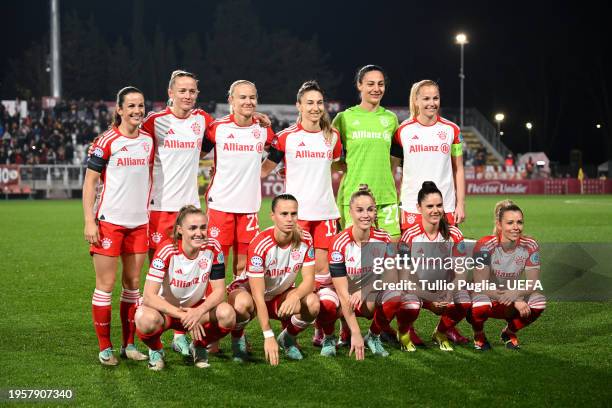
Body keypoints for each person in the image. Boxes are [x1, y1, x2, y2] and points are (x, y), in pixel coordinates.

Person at [141, 70, 271, 357]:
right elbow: (131, 136)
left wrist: (262, 119)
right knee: (163, 275)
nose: (188, 95)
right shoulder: (155, 121)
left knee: (198, 273)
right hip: (158, 209)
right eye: (182, 90)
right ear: (171, 92)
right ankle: (155, 338)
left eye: (192, 91)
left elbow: (230, 137)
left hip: (190, 208)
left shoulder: (204, 121)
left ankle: (183, 333)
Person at [261, 80, 342, 348]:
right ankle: (289, 327)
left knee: (322, 277)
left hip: (326, 215)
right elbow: (263, 170)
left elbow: (337, 166)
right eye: (309, 102)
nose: (315, 107)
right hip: (296, 217)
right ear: (298, 106)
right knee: (291, 275)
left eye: (319, 103)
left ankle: (322, 331)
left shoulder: (332, 138)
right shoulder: (286, 138)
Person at [83, 86, 154, 365]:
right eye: (131, 106)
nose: (137, 110)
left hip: (139, 224)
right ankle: (105, 346)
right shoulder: (106, 141)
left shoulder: (149, 140)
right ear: (120, 110)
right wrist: (90, 220)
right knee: (106, 285)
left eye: (141, 105)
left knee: (133, 285)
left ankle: (129, 344)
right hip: (110, 223)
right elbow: (89, 182)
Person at [135, 206, 236, 370]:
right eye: (193, 228)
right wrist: (183, 315)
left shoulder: (213, 247)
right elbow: (148, 296)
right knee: (144, 319)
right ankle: (156, 350)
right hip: (166, 312)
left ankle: (199, 346)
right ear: (180, 230)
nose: (199, 232)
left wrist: (198, 311)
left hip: (195, 311)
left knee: (228, 314)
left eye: (203, 227)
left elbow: (219, 292)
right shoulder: (167, 249)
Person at [226, 194, 320, 365]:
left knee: (313, 302)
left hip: (279, 296)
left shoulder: (305, 239)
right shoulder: (260, 244)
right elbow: (258, 295)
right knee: (241, 304)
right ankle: (238, 339)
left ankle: (288, 338)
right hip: (253, 297)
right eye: (284, 214)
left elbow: (309, 281)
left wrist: (294, 295)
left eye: (293, 214)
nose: (289, 219)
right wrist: (268, 335)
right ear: (273, 216)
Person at [328, 184, 410, 358]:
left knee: (395, 295)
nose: (365, 215)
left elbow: (390, 277)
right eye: (359, 210)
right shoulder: (338, 243)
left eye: (370, 210)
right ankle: (333, 334)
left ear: (375, 213)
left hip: (367, 296)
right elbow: (343, 294)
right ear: (350, 212)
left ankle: (373, 336)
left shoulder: (384, 238)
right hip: (346, 300)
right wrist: (356, 333)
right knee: (326, 304)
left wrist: (364, 289)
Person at [205, 80, 275, 279]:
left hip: (249, 206)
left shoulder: (263, 128)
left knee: (243, 265)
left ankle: (239, 303)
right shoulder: (217, 128)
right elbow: (198, 153)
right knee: (217, 260)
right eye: (242, 97)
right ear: (231, 100)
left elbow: (279, 150)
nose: (248, 101)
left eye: (252, 97)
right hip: (221, 204)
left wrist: (263, 170)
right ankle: (215, 305)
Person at [398, 181, 471, 352]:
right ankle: (403, 333)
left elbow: (461, 274)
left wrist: (449, 293)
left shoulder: (454, 234)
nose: (435, 210)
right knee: (410, 305)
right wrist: (429, 298)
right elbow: (403, 279)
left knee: (464, 299)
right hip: (416, 291)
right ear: (419, 208)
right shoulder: (409, 236)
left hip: (442, 291)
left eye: (439, 205)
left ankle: (441, 333)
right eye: (429, 206)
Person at [332, 65, 400, 238]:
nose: (376, 89)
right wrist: (349, 166)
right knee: (357, 257)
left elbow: (395, 156)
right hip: (354, 197)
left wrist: (388, 174)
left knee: (390, 258)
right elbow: (327, 158)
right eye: (370, 84)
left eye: (380, 84)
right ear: (359, 85)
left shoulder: (391, 119)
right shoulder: (344, 118)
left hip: (386, 196)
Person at [468, 201, 545, 350]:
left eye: (519, 222)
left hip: (509, 296)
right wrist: (515, 298)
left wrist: (516, 294)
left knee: (539, 301)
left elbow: (533, 283)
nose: (516, 227)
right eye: (510, 223)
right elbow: (480, 284)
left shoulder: (530, 245)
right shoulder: (485, 245)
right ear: (499, 224)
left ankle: (509, 332)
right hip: (487, 294)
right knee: (480, 304)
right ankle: (479, 334)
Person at [392, 79, 466, 231]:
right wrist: (394, 205)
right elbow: (392, 171)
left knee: (445, 254)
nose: (431, 103)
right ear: (416, 100)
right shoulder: (402, 131)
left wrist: (460, 204)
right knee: (413, 254)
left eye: (435, 98)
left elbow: (458, 168)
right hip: (411, 207)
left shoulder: (452, 130)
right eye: (426, 98)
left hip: (446, 206)